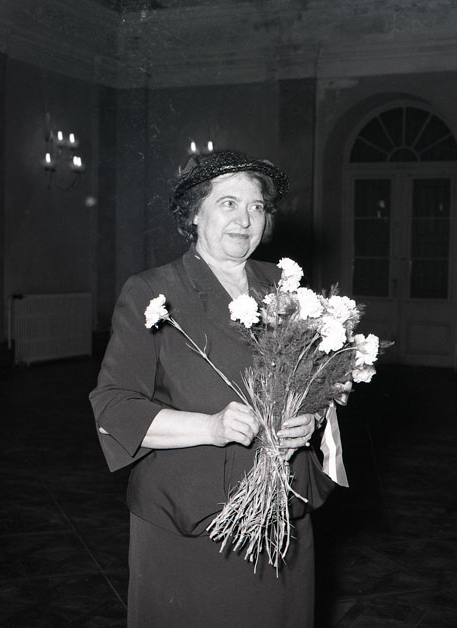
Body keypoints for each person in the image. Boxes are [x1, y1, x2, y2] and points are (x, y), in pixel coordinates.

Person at [89, 150, 335, 628]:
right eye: (228, 204)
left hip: (283, 514)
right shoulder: (154, 292)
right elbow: (114, 407)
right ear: (194, 214)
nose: (245, 219)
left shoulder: (285, 288)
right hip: (194, 520)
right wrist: (212, 427)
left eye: (257, 206)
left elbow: (316, 384)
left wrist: (311, 419)